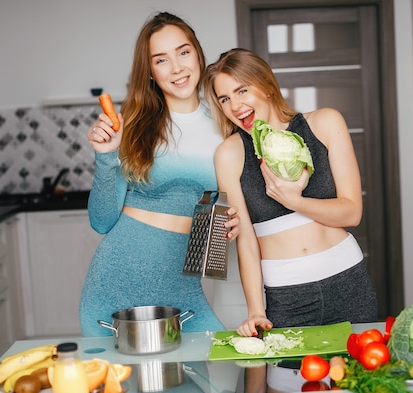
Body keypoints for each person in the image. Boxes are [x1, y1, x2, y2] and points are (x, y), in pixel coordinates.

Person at [79, 12, 238, 337]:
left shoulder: (226, 121)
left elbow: (226, 203)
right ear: (150, 71)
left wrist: (235, 219)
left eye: (183, 52)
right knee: (123, 389)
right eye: (161, 60)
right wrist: (106, 156)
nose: (177, 68)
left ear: (197, 53)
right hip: (114, 289)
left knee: (221, 380)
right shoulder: (133, 125)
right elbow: (101, 221)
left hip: (184, 290)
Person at [202, 48, 378, 337]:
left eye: (242, 90)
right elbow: (247, 240)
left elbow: (352, 211)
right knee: (290, 381)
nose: (235, 105)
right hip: (286, 297)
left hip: (349, 284)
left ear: (267, 85)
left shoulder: (324, 122)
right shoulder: (229, 155)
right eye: (225, 99)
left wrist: (294, 200)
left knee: (355, 378)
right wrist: (256, 310)